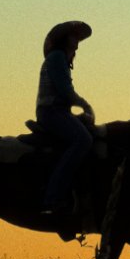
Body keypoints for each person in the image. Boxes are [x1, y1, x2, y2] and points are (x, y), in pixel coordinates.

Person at [40, 21, 97, 215]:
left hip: (59, 112)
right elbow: (65, 90)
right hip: (51, 112)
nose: (78, 40)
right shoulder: (57, 57)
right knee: (83, 140)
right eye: (75, 36)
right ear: (66, 38)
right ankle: (53, 199)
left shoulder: (61, 58)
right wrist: (85, 105)